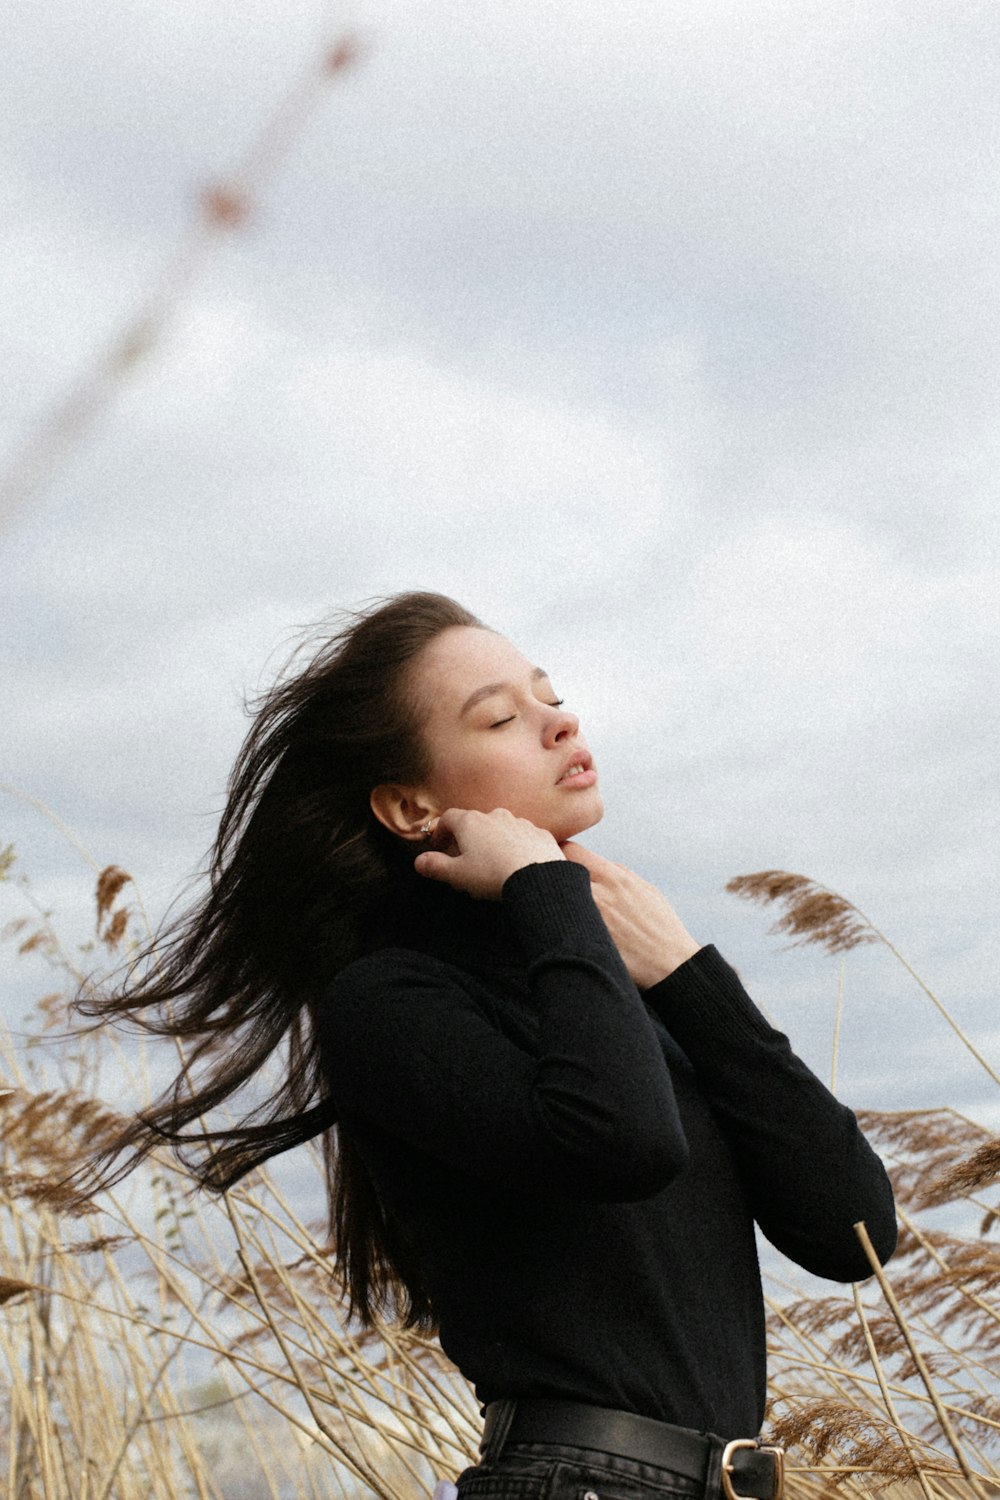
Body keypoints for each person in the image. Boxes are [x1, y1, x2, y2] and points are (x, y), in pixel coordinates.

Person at [82, 590, 897, 1500]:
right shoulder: (392, 1001)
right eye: (503, 717)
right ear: (408, 805)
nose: (558, 722)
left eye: (549, 695)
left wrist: (683, 970)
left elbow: (853, 1231)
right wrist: (546, 884)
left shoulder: (619, 989)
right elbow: (625, 1140)